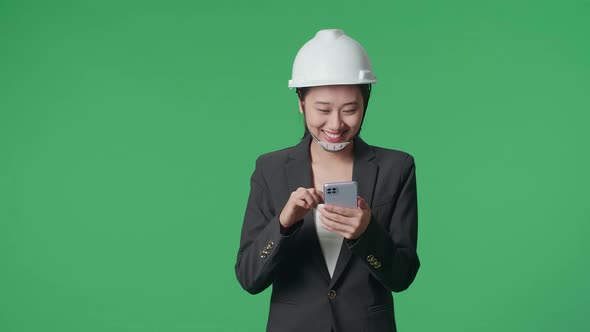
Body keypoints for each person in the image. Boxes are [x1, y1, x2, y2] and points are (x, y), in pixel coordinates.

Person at [235, 29, 420, 332]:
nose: (336, 124)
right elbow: (248, 278)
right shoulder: (270, 169)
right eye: (323, 109)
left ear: (366, 103)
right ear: (301, 102)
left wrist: (365, 233)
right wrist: (282, 225)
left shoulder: (396, 168)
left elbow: (402, 277)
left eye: (350, 110)